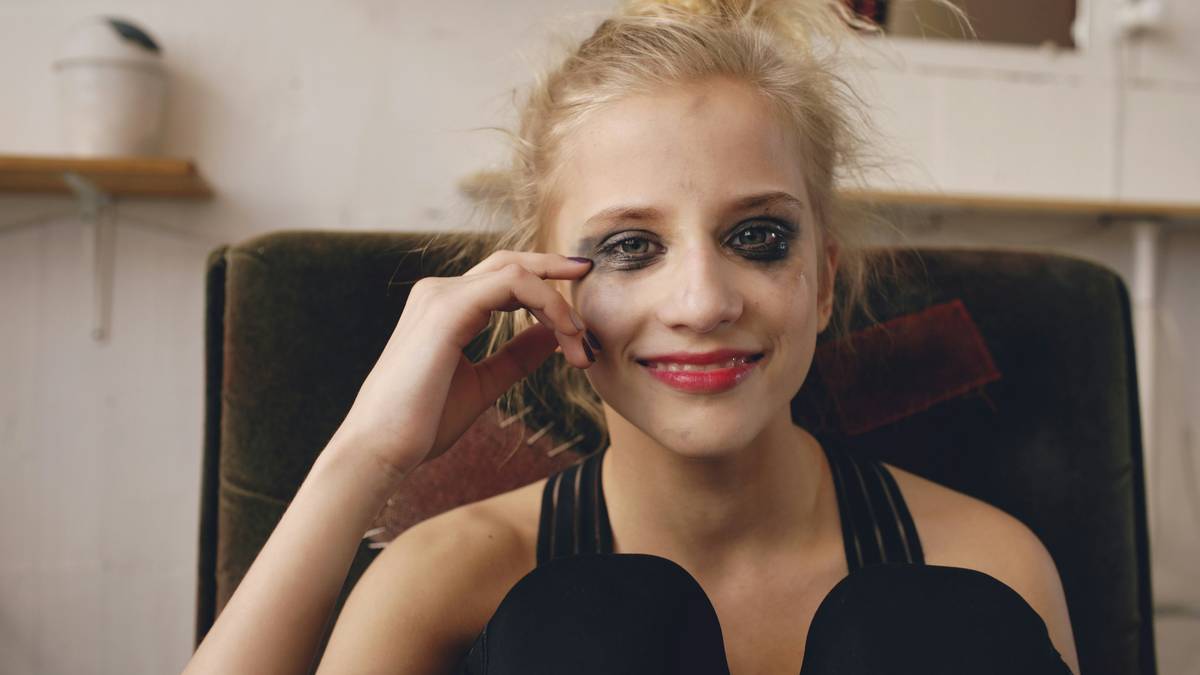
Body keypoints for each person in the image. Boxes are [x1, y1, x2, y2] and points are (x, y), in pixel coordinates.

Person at [183, 1, 1082, 673]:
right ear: (546, 291)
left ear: (824, 282)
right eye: (629, 247)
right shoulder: (456, 574)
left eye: (757, 237)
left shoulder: (983, 564)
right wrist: (366, 454)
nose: (700, 300)